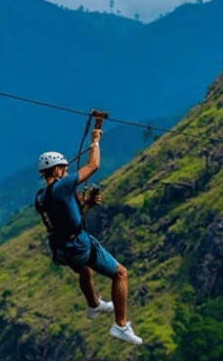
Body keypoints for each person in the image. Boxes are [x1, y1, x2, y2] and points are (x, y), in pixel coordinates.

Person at [34, 127, 142, 345]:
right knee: (120, 273)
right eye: (63, 169)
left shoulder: (40, 197)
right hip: (78, 244)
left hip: (61, 249)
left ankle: (93, 305)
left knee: (84, 269)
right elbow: (93, 166)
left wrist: (87, 204)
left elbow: (67, 218)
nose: (66, 172)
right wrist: (95, 140)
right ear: (56, 171)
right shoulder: (62, 185)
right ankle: (120, 325)